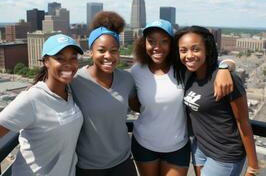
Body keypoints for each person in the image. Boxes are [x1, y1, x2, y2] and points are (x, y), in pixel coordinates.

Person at [130, 19, 235, 176]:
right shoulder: (136, 71)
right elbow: (133, 103)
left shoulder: (183, 68)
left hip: (177, 147)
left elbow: (219, 62)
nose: (157, 47)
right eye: (151, 42)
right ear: (144, 44)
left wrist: (225, 67)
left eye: (164, 41)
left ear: (172, 45)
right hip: (144, 144)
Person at [175, 26, 259, 176]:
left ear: (207, 49)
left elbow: (243, 122)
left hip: (224, 155)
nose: (189, 55)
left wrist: (252, 166)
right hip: (200, 148)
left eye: (195, 49)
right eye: (183, 50)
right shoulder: (189, 74)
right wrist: (226, 64)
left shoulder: (227, 79)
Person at [0, 34, 84, 176]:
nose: (68, 64)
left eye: (73, 57)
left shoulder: (69, 90)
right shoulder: (32, 99)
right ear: (46, 61)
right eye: (59, 58)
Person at [71, 11, 138, 176]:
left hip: (123, 161)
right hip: (89, 167)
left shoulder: (127, 79)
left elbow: (139, 106)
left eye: (114, 50)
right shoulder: (74, 80)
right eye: (101, 50)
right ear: (91, 52)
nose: (108, 56)